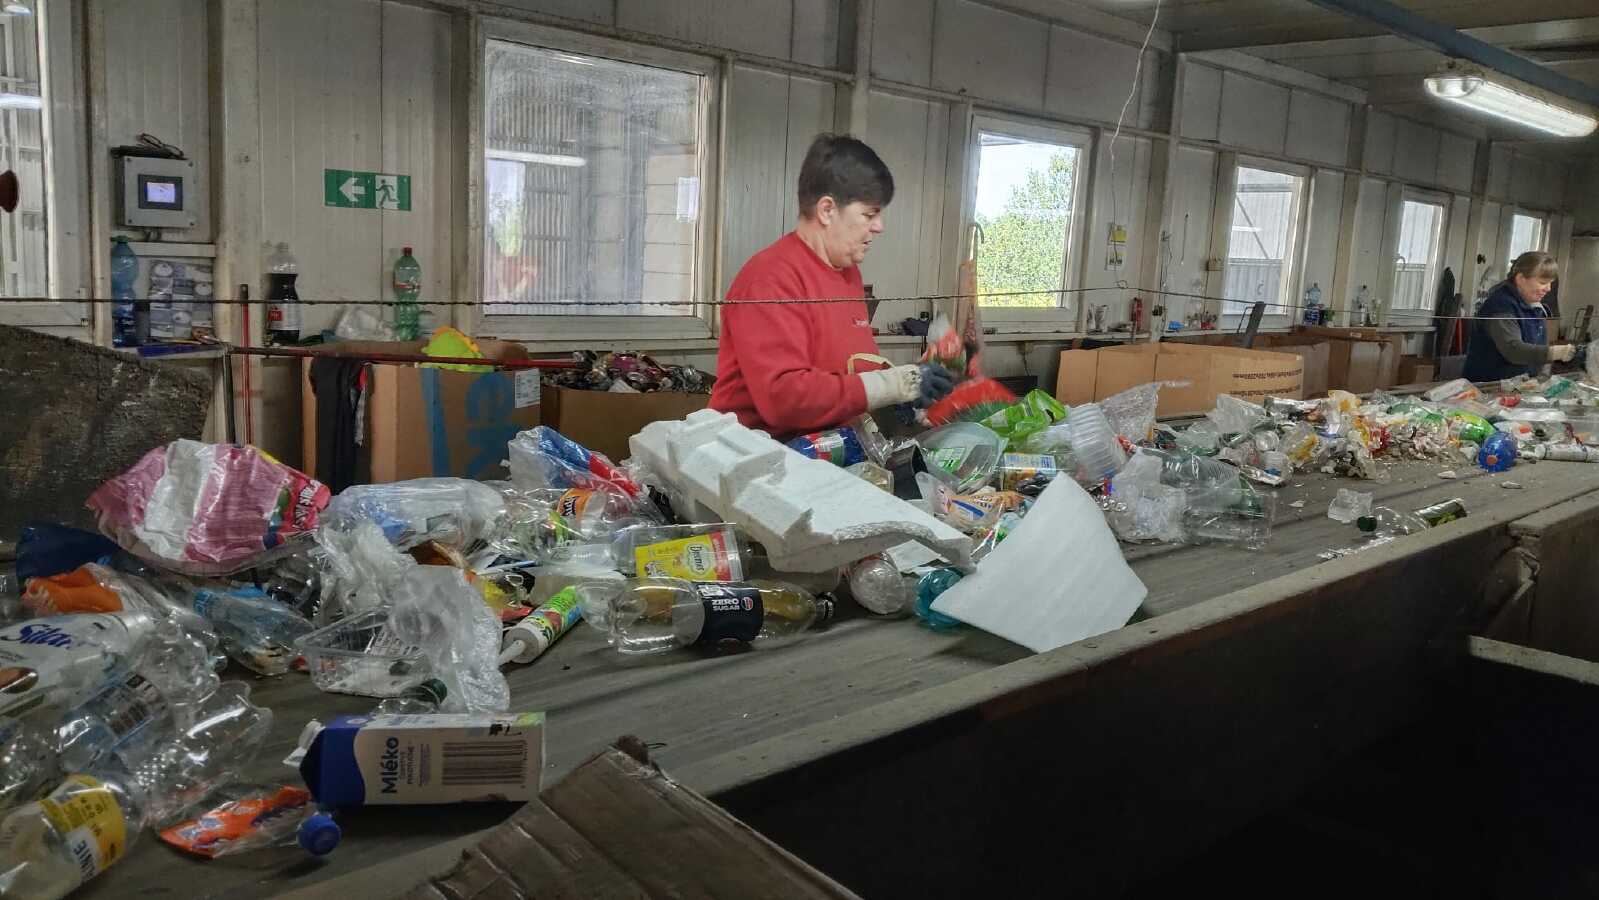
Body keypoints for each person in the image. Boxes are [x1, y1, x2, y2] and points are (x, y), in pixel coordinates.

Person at [708, 134, 955, 438]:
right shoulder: (770, 279)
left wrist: (904, 395)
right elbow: (784, 399)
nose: (879, 226)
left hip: (825, 448)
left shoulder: (848, 275)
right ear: (827, 210)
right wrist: (897, 384)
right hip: (758, 453)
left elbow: (853, 368)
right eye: (870, 214)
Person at [1464, 251, 1574, 381]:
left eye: (1550, 283)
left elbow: (1537, 345)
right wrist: (1557, 352)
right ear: (1521, 279)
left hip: (1522, 383)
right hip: (1490, 385)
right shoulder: (1501, 306)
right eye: (1543, 282)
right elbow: (1513, 350)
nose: (1548, 289)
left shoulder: (1532, 305)